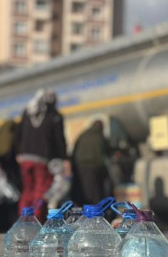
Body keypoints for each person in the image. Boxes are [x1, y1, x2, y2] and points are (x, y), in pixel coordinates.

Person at [16, 89, 69, 221]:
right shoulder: (54, 116)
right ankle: (36, 219)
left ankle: (24, 219)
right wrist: (64, 159)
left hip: (25, 158)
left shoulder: (27, 112)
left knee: (27, 190)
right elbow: (59, 140)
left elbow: (18, 134)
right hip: (42, 159)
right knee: (40, 191)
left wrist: (19, 152)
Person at [72, 120, 112, 205]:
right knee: (95, 191)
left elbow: (74, 150)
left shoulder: (83, 134)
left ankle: (82, 207)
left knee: (82, 189)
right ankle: (94, 210)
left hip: (79, 167)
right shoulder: (100, 136)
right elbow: (108, 152)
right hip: (94, 166)